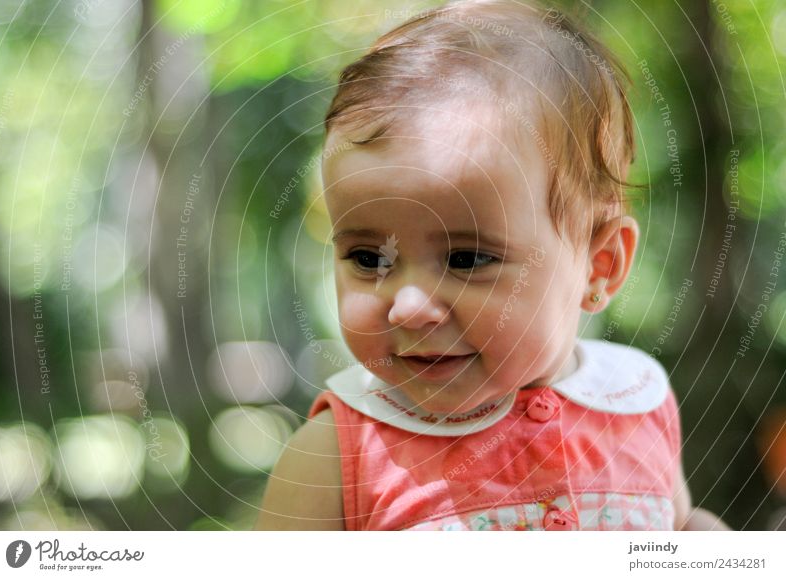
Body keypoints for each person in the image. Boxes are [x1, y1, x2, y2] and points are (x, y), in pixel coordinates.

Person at [256, 0, 729, 531]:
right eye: (368, 258)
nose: (409, 306)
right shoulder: (338, 455)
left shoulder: (633, 400)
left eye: (467, 259)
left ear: (600, 266)